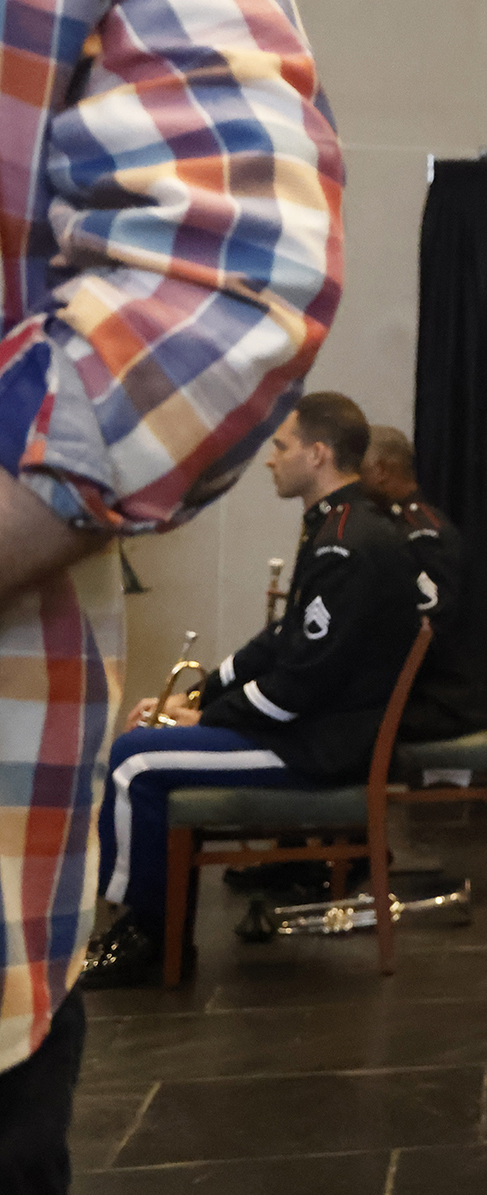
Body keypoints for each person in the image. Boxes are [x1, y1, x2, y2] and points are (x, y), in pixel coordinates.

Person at [0, 0, 343, 1188]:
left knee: (152, 762)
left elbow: (323, 687)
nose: (282, 469)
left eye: (292, 456)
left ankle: (141, 948)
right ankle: (125, 943)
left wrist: (222, 712)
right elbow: (228, 272)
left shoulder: (377, 539)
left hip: (318, 745)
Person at [80, 396, 410, 988]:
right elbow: (282, 640)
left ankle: (148, 937)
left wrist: (198, 721)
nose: (270, 460)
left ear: (318, 454)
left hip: (319, 746)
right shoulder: (338, 524)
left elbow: (297, 688)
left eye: (281, 447)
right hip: (315, 727)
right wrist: (200, 699)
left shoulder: (347, 543)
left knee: (134, 761)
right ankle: (155, 927)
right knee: (146, 743)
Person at [358, 425, 484, 742]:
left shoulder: (423, 536)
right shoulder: (398, 527)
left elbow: (428, 632)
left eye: (356, 467)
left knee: (329, 724)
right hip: (419, 691)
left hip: (440, 700)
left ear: (380, 470)